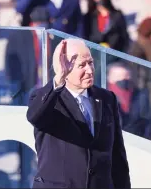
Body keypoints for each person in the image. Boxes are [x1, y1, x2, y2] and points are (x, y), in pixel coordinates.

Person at [26, 38, 131, 188]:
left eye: (91, 63)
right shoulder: (48, 99)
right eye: (81, 65)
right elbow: (35, 116)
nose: (89, 70)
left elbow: (117, 156)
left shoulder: (107, 98)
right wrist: (58, 80)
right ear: (64, 69)